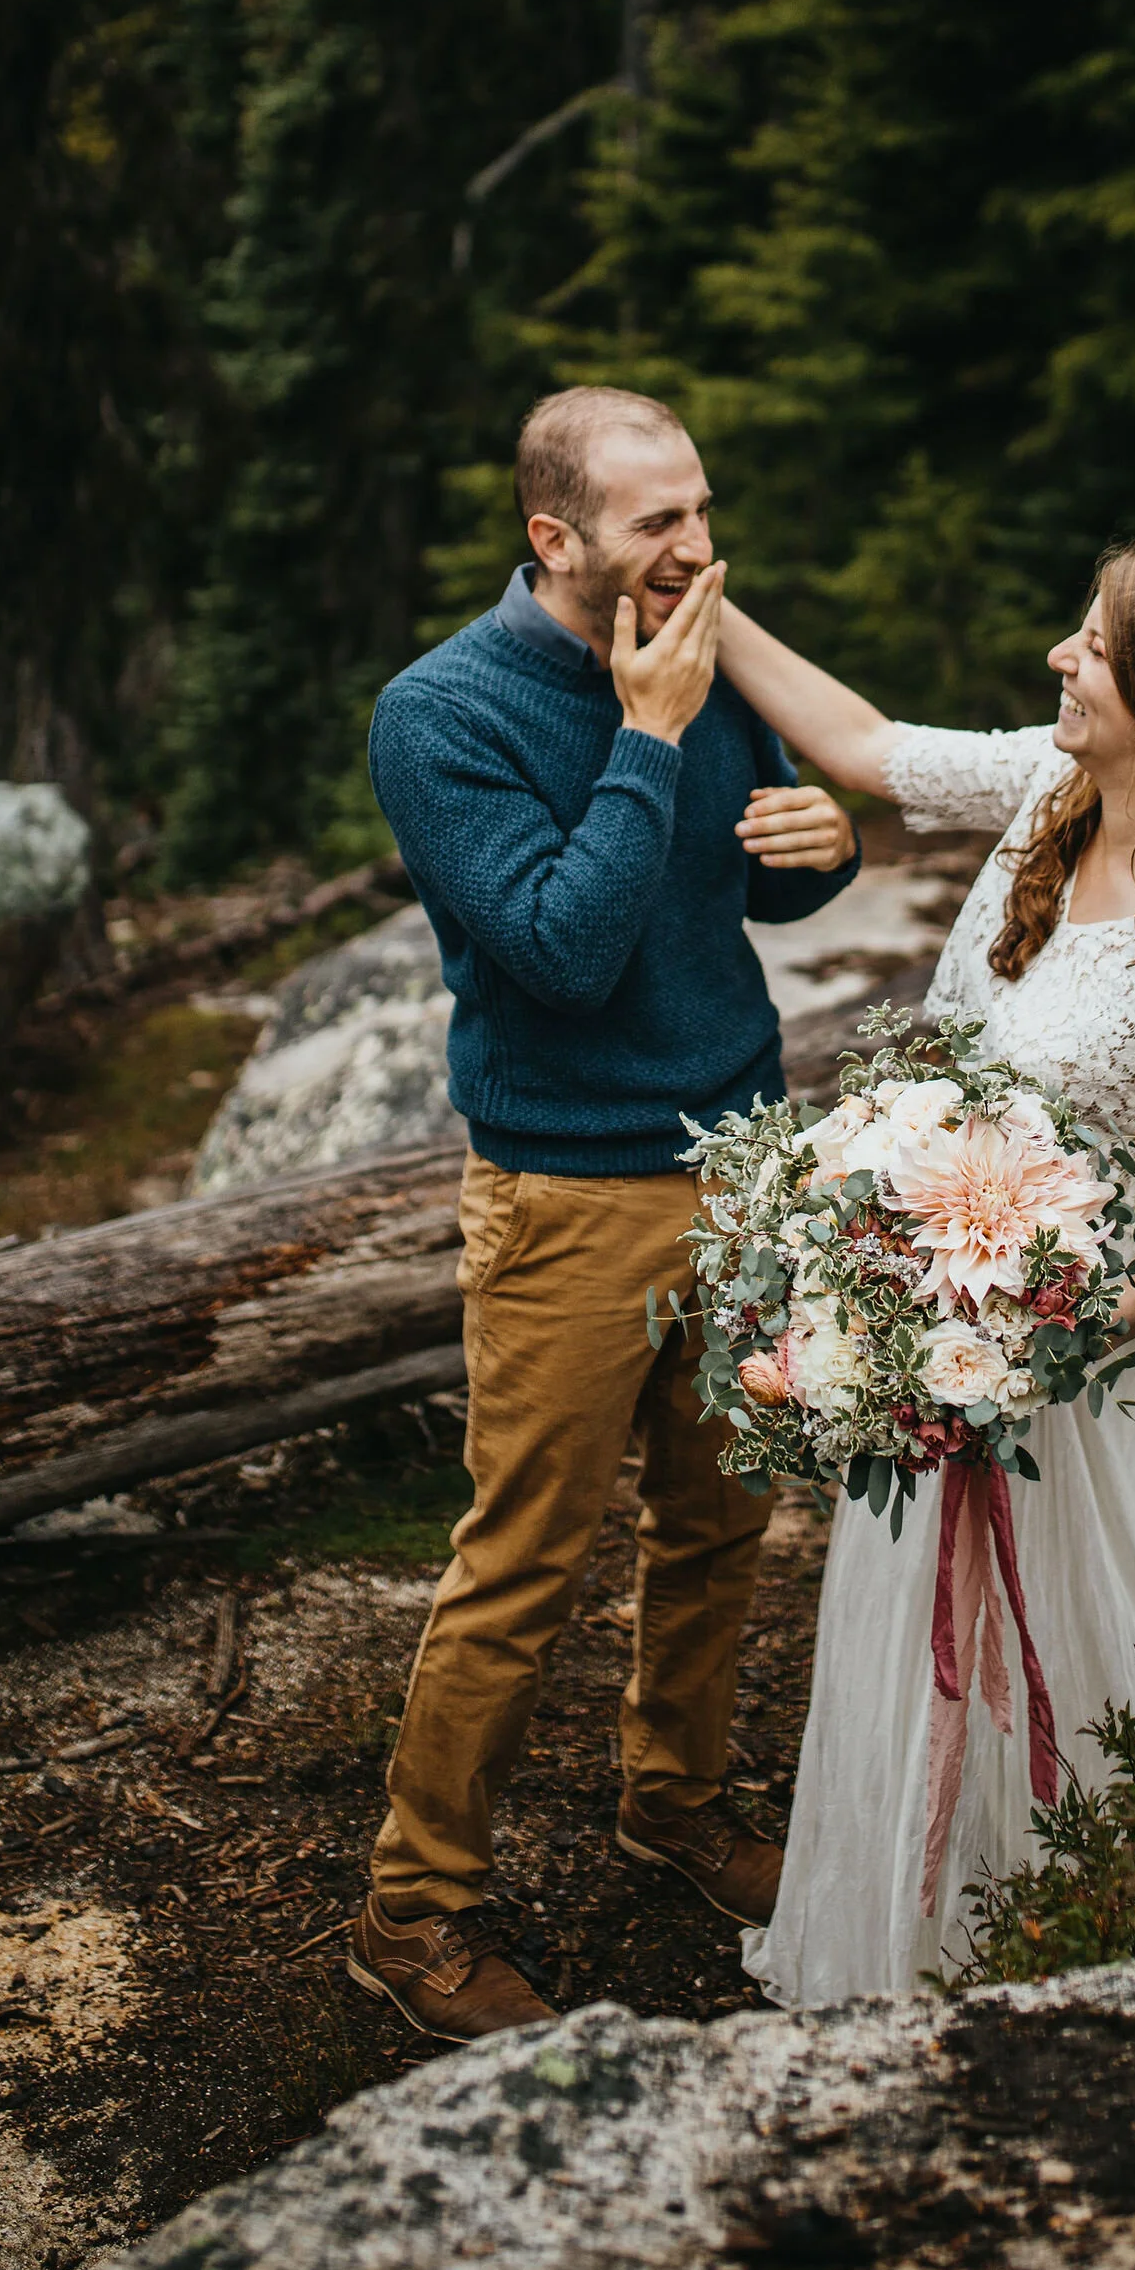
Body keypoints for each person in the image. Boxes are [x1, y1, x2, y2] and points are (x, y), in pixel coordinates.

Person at [714, 539, 1135, 2003]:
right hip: (944, 1342)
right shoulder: (1045, 793)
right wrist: (699, 604)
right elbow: (864, 746)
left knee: (1127, 1645)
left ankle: (1127, 1933)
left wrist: (1053, 1329)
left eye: (1092, 648)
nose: (1060, 661)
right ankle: (936, 1935)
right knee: (930, 1643)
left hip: (1104, 1375)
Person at [347, 386, 860, 2040]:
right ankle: (413, 1911)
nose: (699, 547)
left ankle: (675, 1805)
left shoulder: (694, 640)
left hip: (740, 1158)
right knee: (524, 1565)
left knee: (722, 1528)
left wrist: (820, 846)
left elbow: (742, 875)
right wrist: (647, 733)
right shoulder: (439, 716)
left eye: (703, 506)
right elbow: (560, 954)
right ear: (553, 538)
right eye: (659, 523)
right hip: (568, 1190)